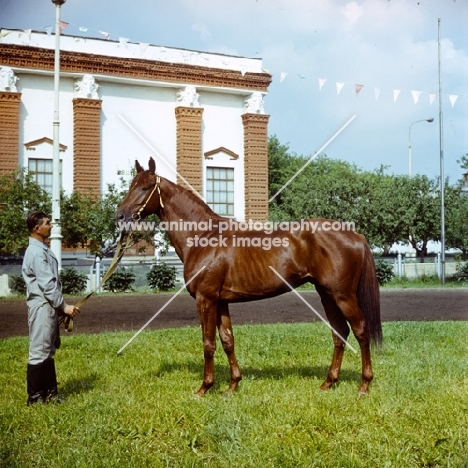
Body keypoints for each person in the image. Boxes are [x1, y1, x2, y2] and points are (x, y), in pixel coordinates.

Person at [22, 211, 80, 405]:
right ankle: (36, 398)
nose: (51, 226)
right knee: (39, 351)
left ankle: (50, 394)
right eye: (47, 223)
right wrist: (64, 307)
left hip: (48, 307)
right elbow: (48, 284)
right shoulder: (37, 252)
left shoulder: (40, 249)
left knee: (47, 350)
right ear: (37, 229)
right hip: (42, 307)